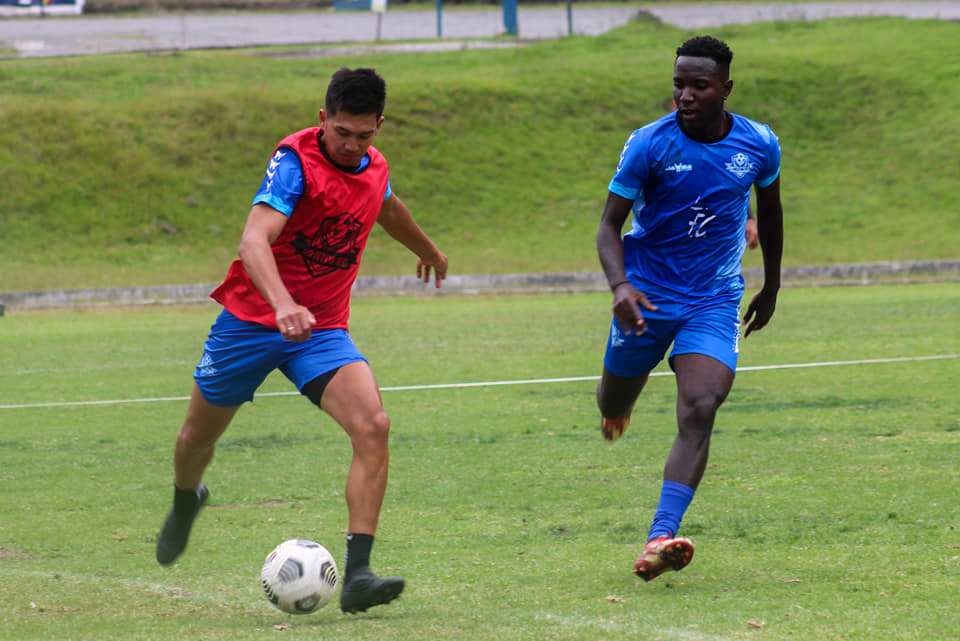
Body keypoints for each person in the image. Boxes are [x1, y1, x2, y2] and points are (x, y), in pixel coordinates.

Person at [155, 67, 448, 614]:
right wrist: (283, 303)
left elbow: (385, 204)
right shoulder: (295, 164)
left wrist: (428, 249)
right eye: (342, 132)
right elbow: (253, 240)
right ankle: (185, 498)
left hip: (321, 330)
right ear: (322, 120)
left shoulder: (373, 164)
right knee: (196, 438)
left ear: (379, 126)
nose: (351, 145)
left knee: (373, 426)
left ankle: (358, 574)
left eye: (364, 135)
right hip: (251, 322)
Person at [595, 35, 783, 581]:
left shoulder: (759, 144)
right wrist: (619, 287)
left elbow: (769, 215)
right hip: (646, 297)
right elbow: (608, 226)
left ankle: (660, 535)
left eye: (698, 85)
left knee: (701, 406)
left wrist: (770, 284)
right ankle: (613, 407)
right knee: (613, 397)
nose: (685, 95)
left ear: (725, 88)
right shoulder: (648, 144)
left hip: (714, 298)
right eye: (678, 84)